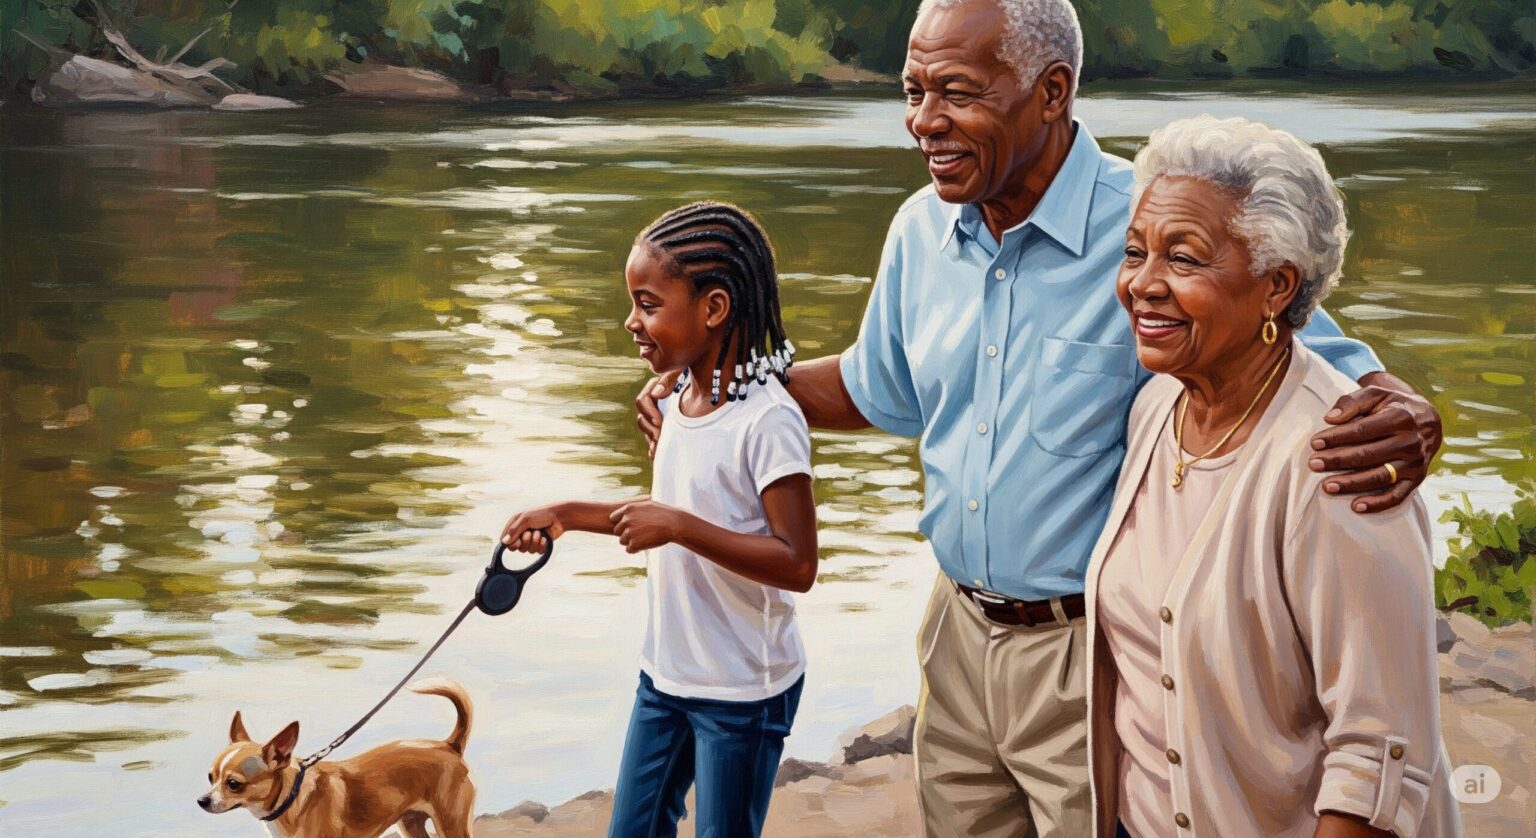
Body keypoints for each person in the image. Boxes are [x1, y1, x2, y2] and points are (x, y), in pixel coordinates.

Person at [636, 1, 1445, 835]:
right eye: (913, 91)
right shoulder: (918, 231)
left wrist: (1408, 406)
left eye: (955, 92)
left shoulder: (1157, 223)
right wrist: (723, 379)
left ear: (1051, 90)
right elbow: (875, 385)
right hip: (955, 636)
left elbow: (1299, 358)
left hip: (1090, 651)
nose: (924, 122)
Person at [1085, 115, 1459, 838]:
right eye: (1135, 252)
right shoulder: (1158, 408)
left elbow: (1378, 757)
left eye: (1185, 259)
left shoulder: (1339, 462)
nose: (1142, 284)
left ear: (1275, 287)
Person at [501, 202, 818, 838]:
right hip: (666, 676)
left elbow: (797, 564)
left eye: (648, 304)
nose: (631, 321)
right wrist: (564, 514)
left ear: (715, 308)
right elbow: (667, 510)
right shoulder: (676, 397)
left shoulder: (768, 420)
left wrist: (677, 527)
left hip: (741, 692)